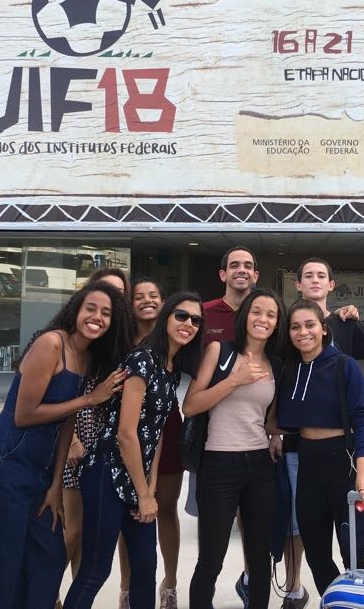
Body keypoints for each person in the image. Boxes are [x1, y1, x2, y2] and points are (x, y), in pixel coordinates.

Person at [0, 281, 130, 609]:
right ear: (76, 310)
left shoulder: (85, 357)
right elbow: (25, 415)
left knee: (48, 555)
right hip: (6, 463)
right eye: (91, 308)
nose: (97, 317)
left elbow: (66, 424)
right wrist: (89, 399)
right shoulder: (52, 343)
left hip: (40, 472)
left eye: (106, 313)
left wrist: (55, 484)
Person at [64, 292, 204, 609]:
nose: (189, 324)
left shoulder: (171, 369)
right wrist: (143, 492)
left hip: (136, 479)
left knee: (145, 567)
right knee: (95, 571)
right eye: (182, 315)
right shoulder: (142, 360)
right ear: (167, 316)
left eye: (196, 320)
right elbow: (126, 434)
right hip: (106, 472)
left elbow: (154, 438)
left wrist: (150, 490)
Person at [274, 258, 364, 609]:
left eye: (310, 325)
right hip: (306, 463)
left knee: (354, 547)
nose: (303, 332)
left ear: (324, 328)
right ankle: (334, 600)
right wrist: (269, 433)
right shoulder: (290, 370)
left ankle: (359, 600)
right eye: (295, 327)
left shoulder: (342, 365)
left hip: (344, 462)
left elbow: (363, 417)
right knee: (316, 550)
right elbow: (279, 417)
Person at [186, 288, 285, 609]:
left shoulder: (276, 364)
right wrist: (233, 380)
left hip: (259, 466)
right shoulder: (220, 351)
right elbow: (191, 405)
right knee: (210, 559)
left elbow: (268, 419)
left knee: (259, 559)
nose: (263, 319)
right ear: (245, 316)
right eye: (257, 312)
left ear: (276, 324)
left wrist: (277, 436)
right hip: (218, 465)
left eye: (271, 315)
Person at [62, 268, 131, 595]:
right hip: (72, 442)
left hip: (104, 448)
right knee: (71, 530)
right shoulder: (70, 339)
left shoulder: (115, 341)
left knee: (90, 536)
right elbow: (56, 393)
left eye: (119, 295)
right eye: (104, 291)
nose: (112, 300)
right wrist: (72, 439)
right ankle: (45, 593)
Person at [116, 278, 185, 609]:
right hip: (129, 432)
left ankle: (169, 584)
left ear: (164, 301)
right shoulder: (121, 342)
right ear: (131, 305)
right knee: (131, 514)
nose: (146, 301)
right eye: (139, 297)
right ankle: (127, 589)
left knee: (166, 508)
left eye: (153, 295)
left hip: (167, 431)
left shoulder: (178, 333)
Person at [198, 246, 259, 605]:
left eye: (248, 266)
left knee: (252, 521)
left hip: (253, 430)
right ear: (223, 274)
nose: (241, 270)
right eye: (234, 265)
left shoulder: (265, 313)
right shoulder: (204, 314)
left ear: (255, 275)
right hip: (210, 432)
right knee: (216, 526)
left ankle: (252, 581)